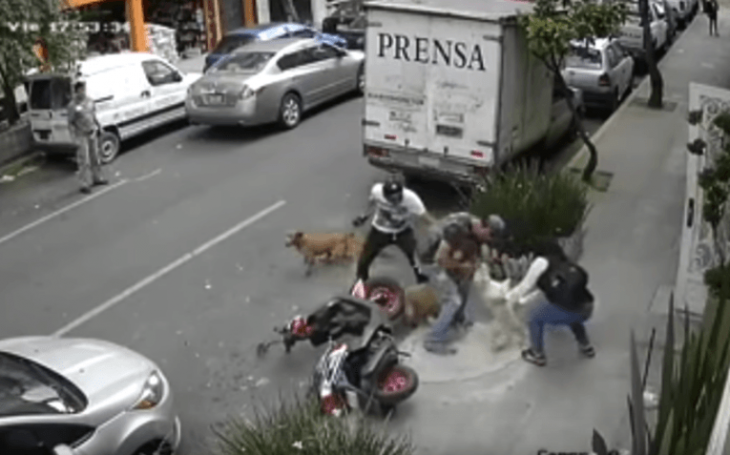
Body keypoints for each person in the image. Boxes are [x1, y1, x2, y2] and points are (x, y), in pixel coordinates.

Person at [504, 239, 596, 366]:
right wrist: (524, 300)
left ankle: (537, 355)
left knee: (534, 318)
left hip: (570, 310)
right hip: (587, 307)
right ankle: (586, 346)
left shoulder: (541, 262)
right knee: (570, 312)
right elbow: (542, 290)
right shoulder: (563, 260)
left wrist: (506, 299)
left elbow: (525, 287)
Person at [353, 177, 437, 284]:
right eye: (391, 199)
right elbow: (372, 201)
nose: (395, 201)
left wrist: (438, 227)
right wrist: (363, 216)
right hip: (380, 230)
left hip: (403, 231)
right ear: (385, 195)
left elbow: (424, 216)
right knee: (366, 255)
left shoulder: (412, 199)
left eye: (397, 197)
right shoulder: (376, 191)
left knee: (413, 255)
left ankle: (420, 275)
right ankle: (361, 277)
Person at [423, 222, 482, 354]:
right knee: (453, 301)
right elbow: (442, 262)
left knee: (462, 290)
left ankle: (454, 321)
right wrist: (462, 267)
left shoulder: (467, 239)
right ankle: (433, 340)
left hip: (446, 272)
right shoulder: (450, 242)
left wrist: (469, 268)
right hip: (438, 272)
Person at [67, 81, 108, 193]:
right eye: (80, 90)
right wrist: (73, 138)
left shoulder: (89, 101)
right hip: (81, 135)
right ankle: (84, 184)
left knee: (95, 156)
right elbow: (70, 123)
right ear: (76, 92)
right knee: (84, 160)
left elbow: (93, 115)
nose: (83, 92)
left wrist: (99, 127)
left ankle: (97, 178)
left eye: (84, 89)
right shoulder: (72, 105)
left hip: (92, 132)